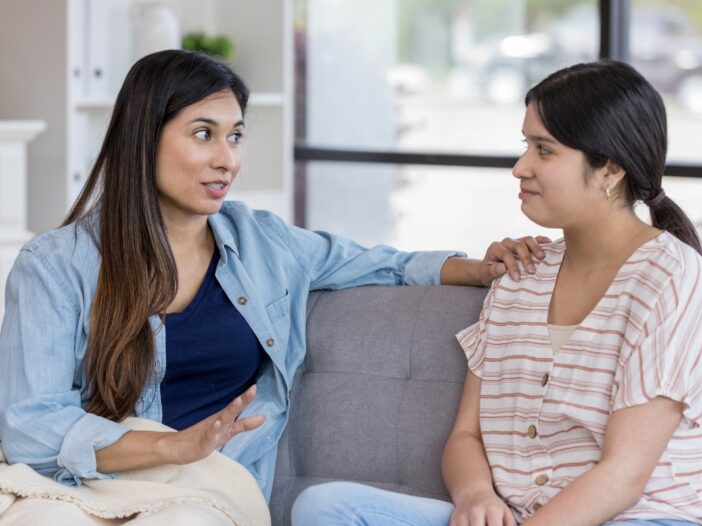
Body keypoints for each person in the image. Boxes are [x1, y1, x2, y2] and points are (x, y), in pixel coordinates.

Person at [0, 49, 546, 524]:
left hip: (208, 488)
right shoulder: (55, 265)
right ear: (144, 139)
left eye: (235, 136)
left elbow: (379, 263)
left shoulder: (261, 243)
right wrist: (170, 445)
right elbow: (30, 426)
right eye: (203, 134)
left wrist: (479, 268)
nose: (227, 159)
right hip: (78, 483)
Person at [291, 61, 702, 526]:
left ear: (610, 169)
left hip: (638, 517)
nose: (519, 167)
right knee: (326, 508)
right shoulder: (520, 273)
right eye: (525, 144)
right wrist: (474, 496)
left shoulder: (670, 276)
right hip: (516, 515)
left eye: (544, 150)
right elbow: (466, 437)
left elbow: (623, 476)